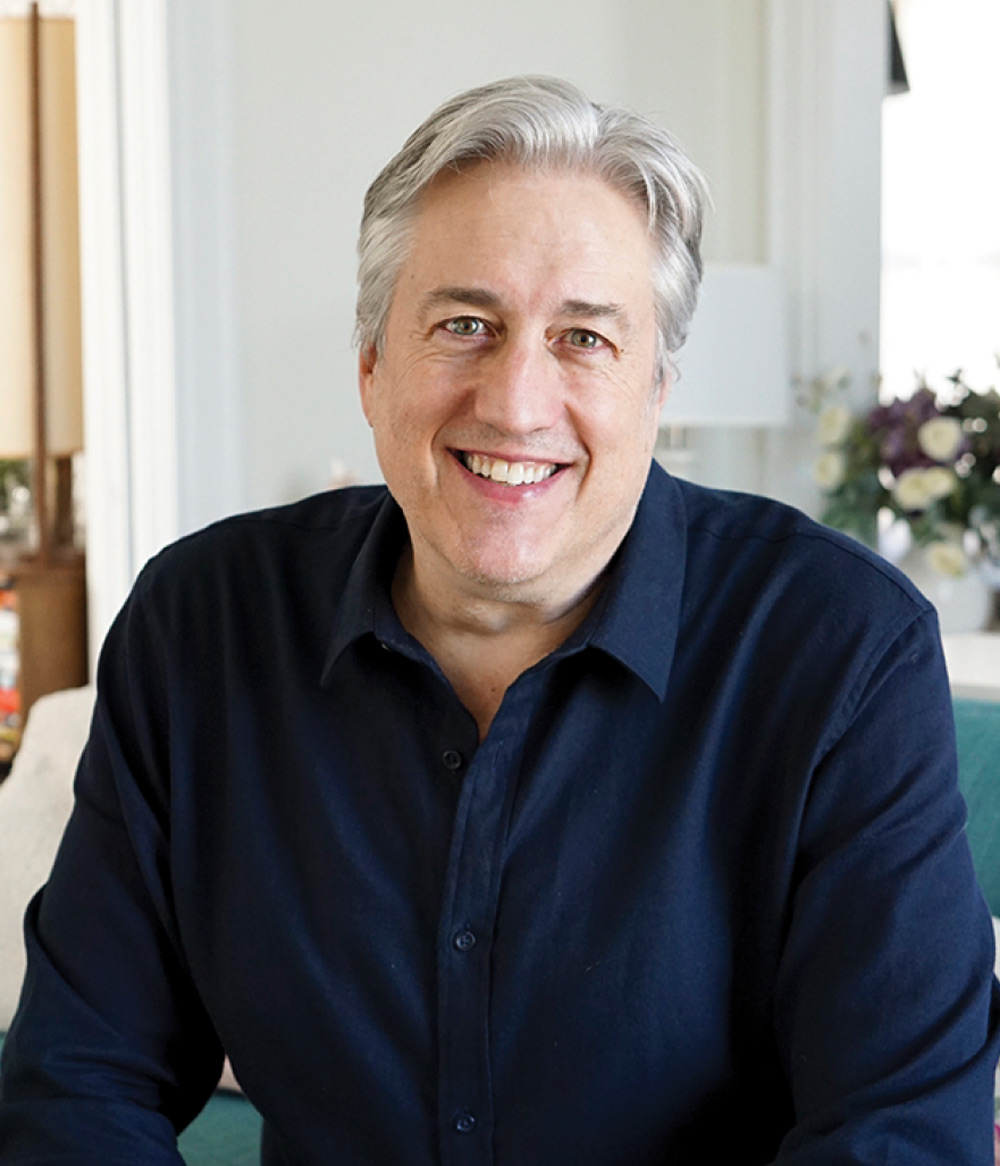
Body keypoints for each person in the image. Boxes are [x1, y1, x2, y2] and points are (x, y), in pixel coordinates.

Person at [0, 74, 997, 1165]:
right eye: (465, 325)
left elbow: (899, 1134)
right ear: (372, 367)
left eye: (585, 339)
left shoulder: (844, 650)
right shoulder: (200, 627)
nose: (516, 403)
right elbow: (79, 1079)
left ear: (657, 388)